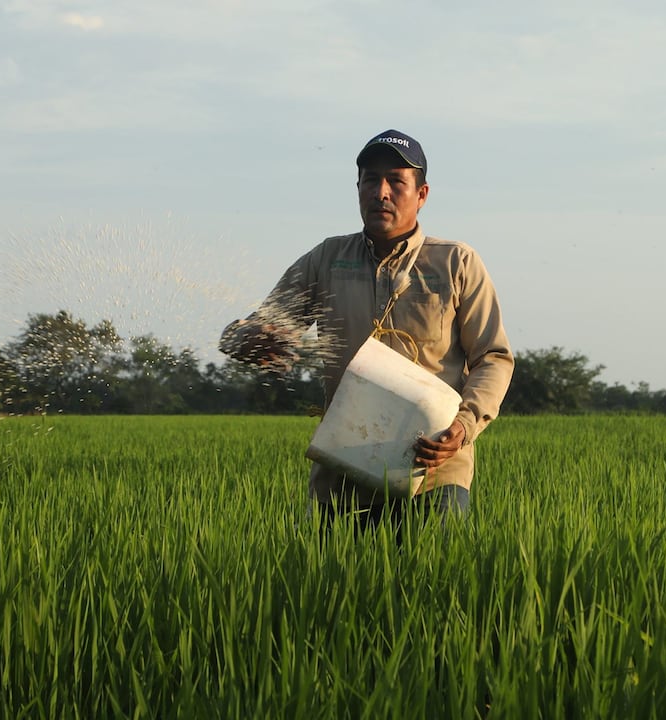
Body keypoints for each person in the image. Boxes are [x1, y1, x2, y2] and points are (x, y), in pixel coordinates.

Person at [219, 129, 513, 531]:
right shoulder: (327, 260)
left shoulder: (455, 263)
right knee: (333, 573)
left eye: (396, 181)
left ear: (422, 194)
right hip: (344, 474)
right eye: (370, 180)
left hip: (432, 475)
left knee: (433, 571)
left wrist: (463, 427)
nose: (381, 193)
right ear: (357, 188)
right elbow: (264, 327)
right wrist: (248, 340)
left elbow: (493, 357)